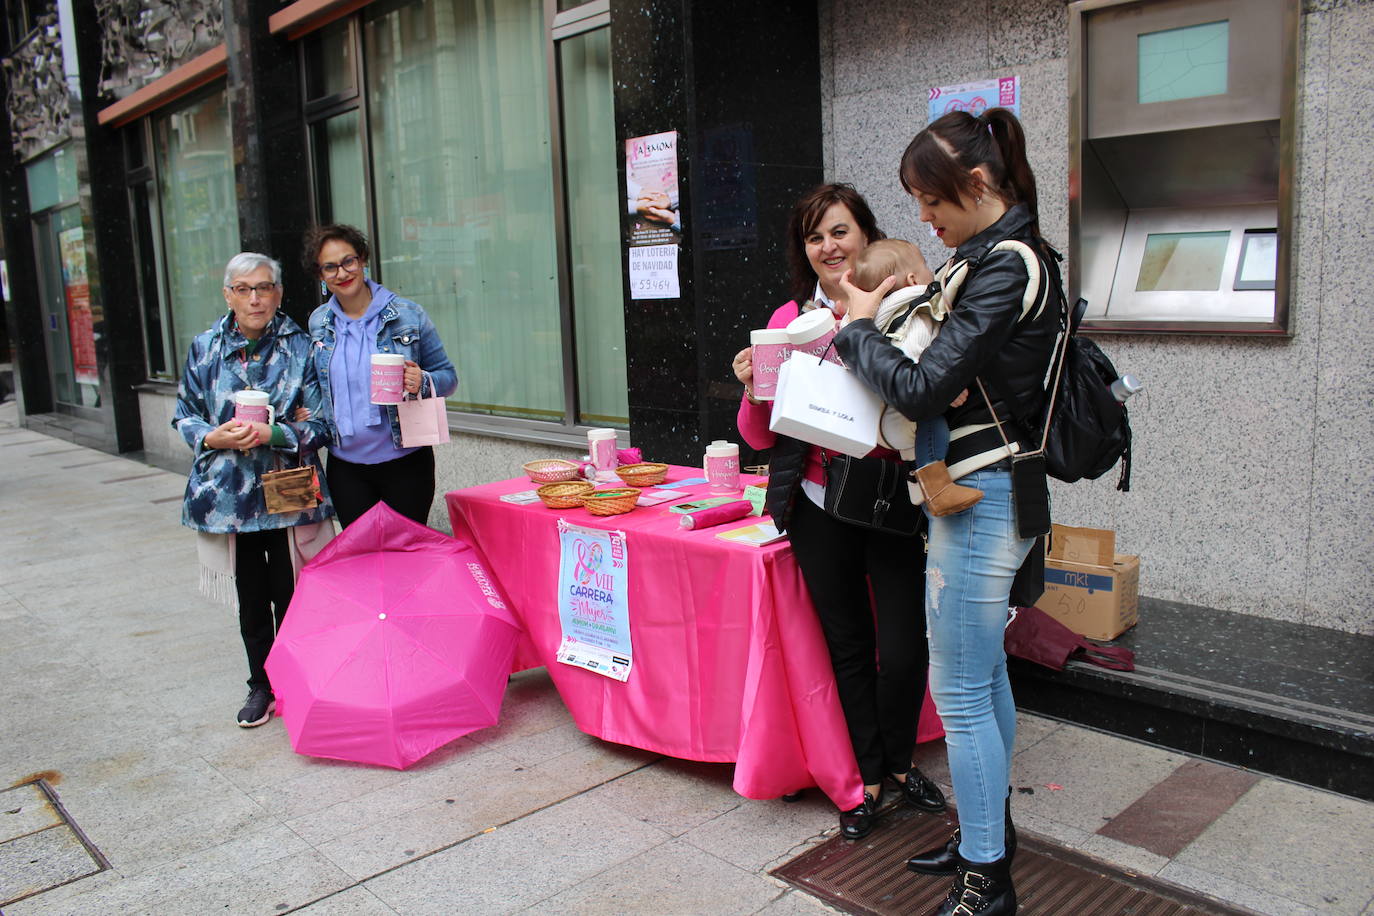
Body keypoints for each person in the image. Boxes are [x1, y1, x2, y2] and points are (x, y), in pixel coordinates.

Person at [834, 108, 1062, 916]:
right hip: (977, 492)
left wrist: (861, 332)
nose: (922, 221)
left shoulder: (1008, 265)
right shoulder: (987, 258)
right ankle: (982, 843)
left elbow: (926, 386)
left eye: (930, 203)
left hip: (982, 493)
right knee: (981, 676)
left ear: (974, 185)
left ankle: (986, 884)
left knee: (960, 691)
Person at [731, 183, 945, 841]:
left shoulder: (906, 307)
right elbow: (761, 439)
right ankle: (872, 776)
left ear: (866, 236)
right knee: (848, 647)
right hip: (819, 503)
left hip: (894, 502)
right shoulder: (791, 317)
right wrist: (753, 389)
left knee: (906, 650)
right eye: (815, 236)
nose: (829, 246)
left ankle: (899, 759)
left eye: (841, 231)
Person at [174, 252, 335, 728]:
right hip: (231, 494)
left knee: (292, 588)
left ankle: (296, 677)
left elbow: (325, 422)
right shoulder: (205, 347)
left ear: (279, 294)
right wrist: (211, 435)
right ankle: (260, 684)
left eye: (264, 287)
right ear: (228, 295)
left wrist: (278, 434)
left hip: (287, 486)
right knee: (251, 592)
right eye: (244, 289)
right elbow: (184, 413)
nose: (255, 297)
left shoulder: (302, 347)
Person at [303, 224, 457, 528]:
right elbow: (316, 386)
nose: (342, 273)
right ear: (320, 275)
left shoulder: (407, 314)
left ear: (362, 260)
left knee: (406, 558)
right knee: (363, 563)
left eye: (348, 261)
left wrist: (422, 382)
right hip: (346, 467)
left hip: (406, 463)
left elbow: (448, 377)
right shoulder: (319, 323)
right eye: (330, 267)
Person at [847, 239, 982, 517]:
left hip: (878, 419)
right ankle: (938, 488)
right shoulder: (917, 316)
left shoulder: (874, 319)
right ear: (912, 279)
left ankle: (919, 486)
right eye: (926, 269)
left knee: (918, 433)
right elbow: (911, 359)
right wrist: (947, 387)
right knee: (933, 422)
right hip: (901, 414)